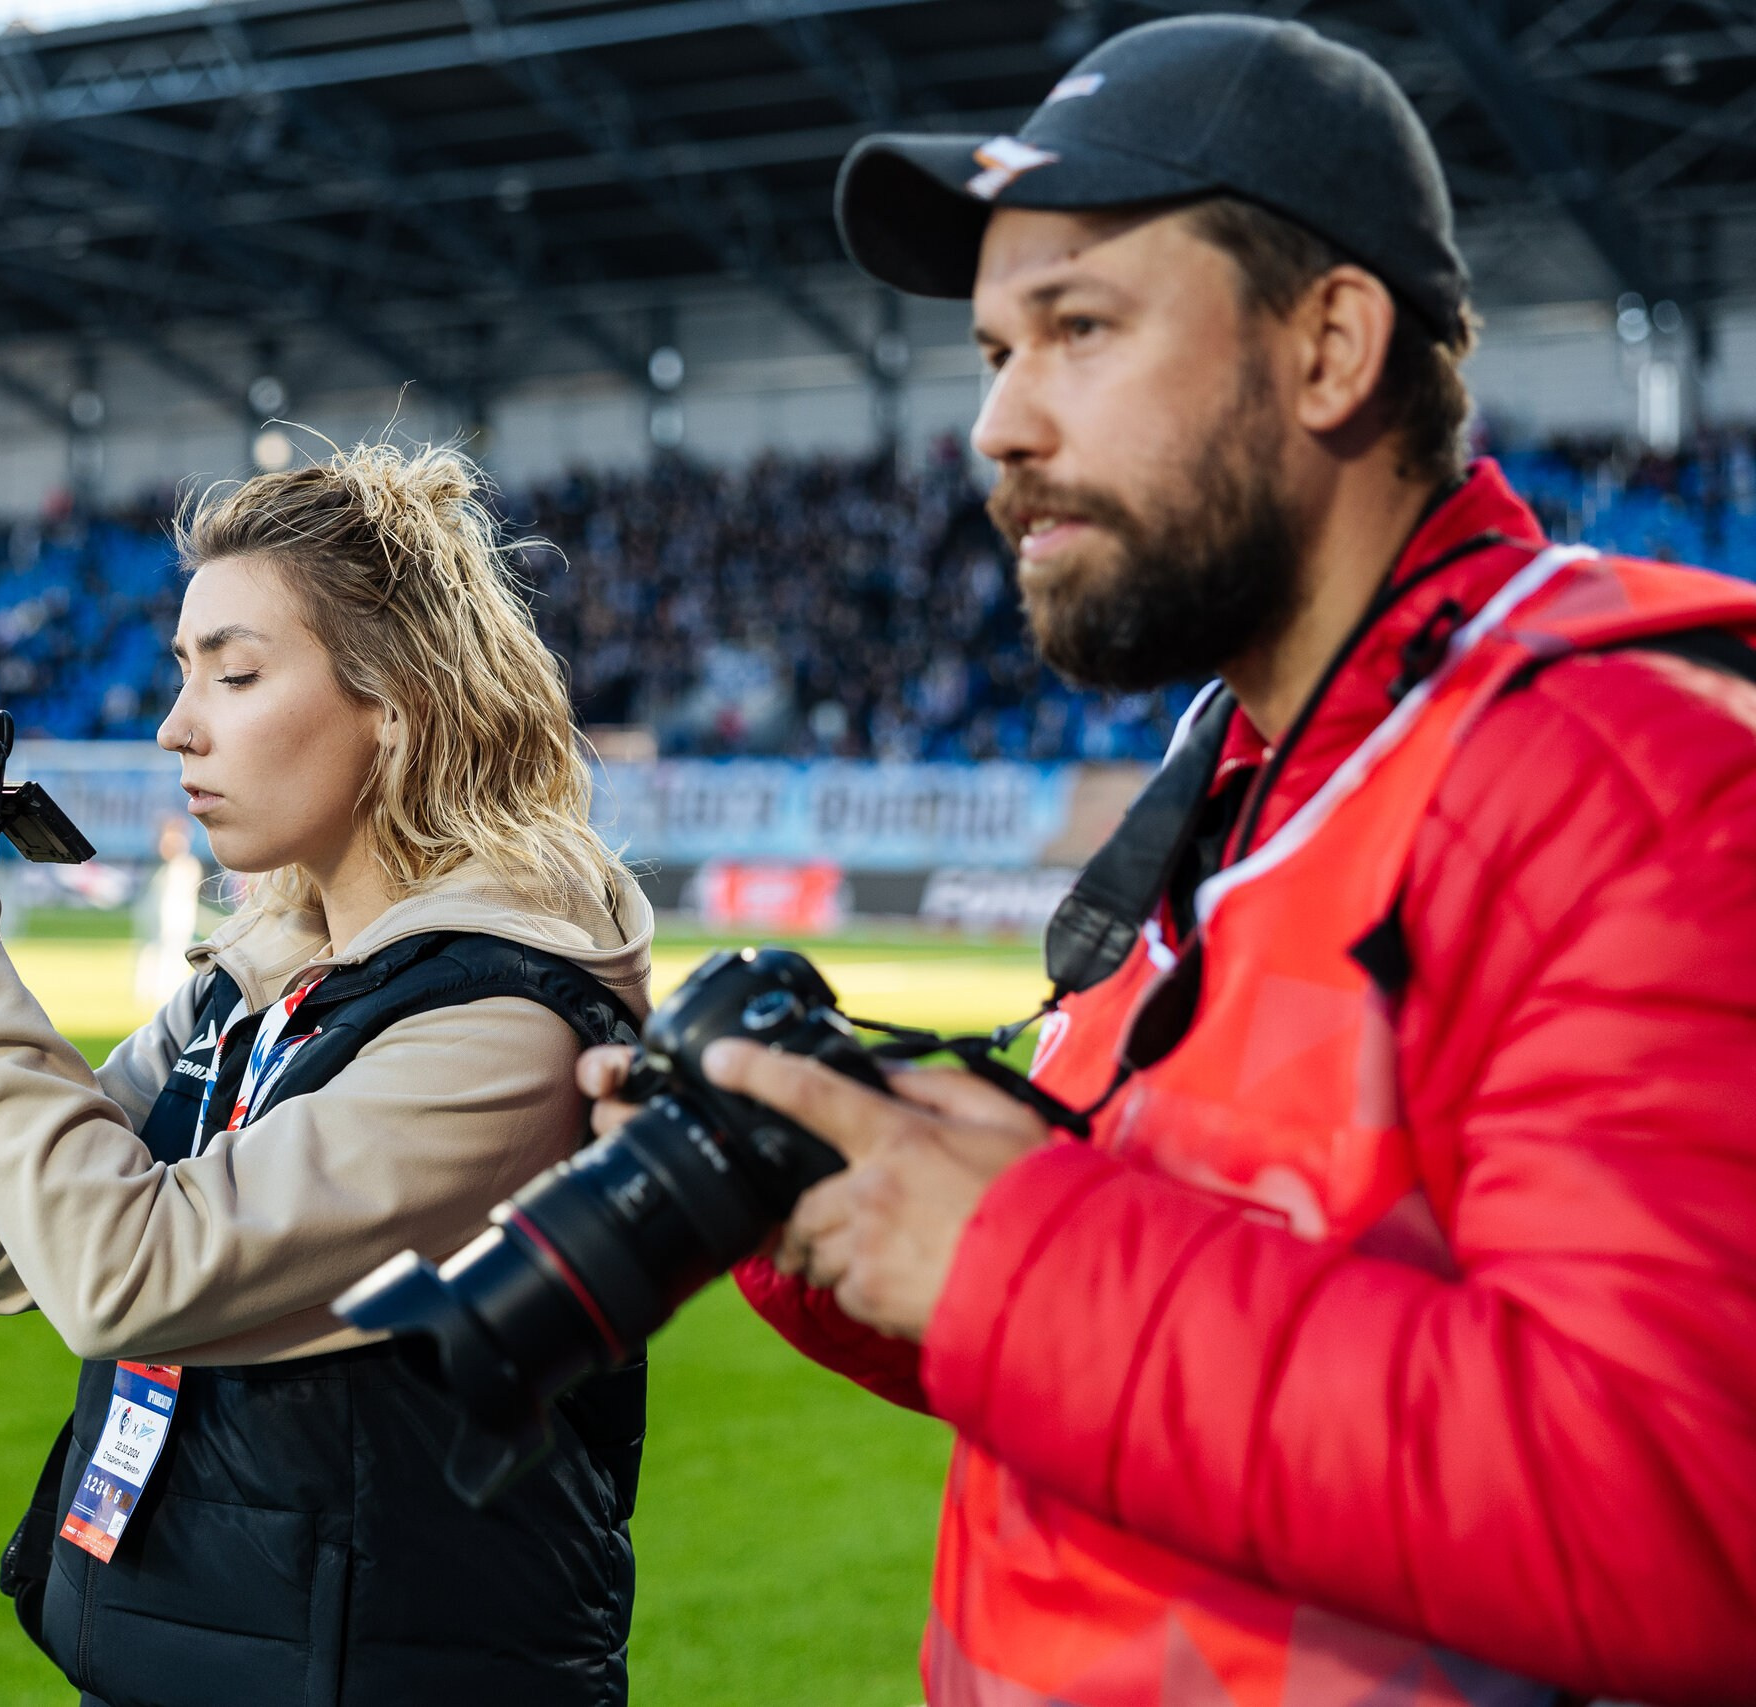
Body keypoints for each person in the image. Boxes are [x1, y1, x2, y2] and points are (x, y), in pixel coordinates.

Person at [582, 17, 1756, 1705]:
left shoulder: (1627, 768)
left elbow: (1686, 1508)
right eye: (993, 347)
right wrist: (812, 1185)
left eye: (1078, 328)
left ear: (1331, 345)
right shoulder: (1241, 768)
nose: (996, 422)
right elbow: (1150, 1307)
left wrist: (1008, 1252)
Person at [0, 439, 654, 1707]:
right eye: (183, 670)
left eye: (233, 673)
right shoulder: (256, 983)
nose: (176, 724)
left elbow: (128, 1274)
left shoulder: (508, 1027)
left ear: (396, 707)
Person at [131, 815, 204, 1009]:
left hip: (178, 914)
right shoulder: (165, 862)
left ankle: (168, 991)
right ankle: (150, 990)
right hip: (159, 911)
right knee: (153, 949)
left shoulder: (187, 864)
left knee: (174, 951)